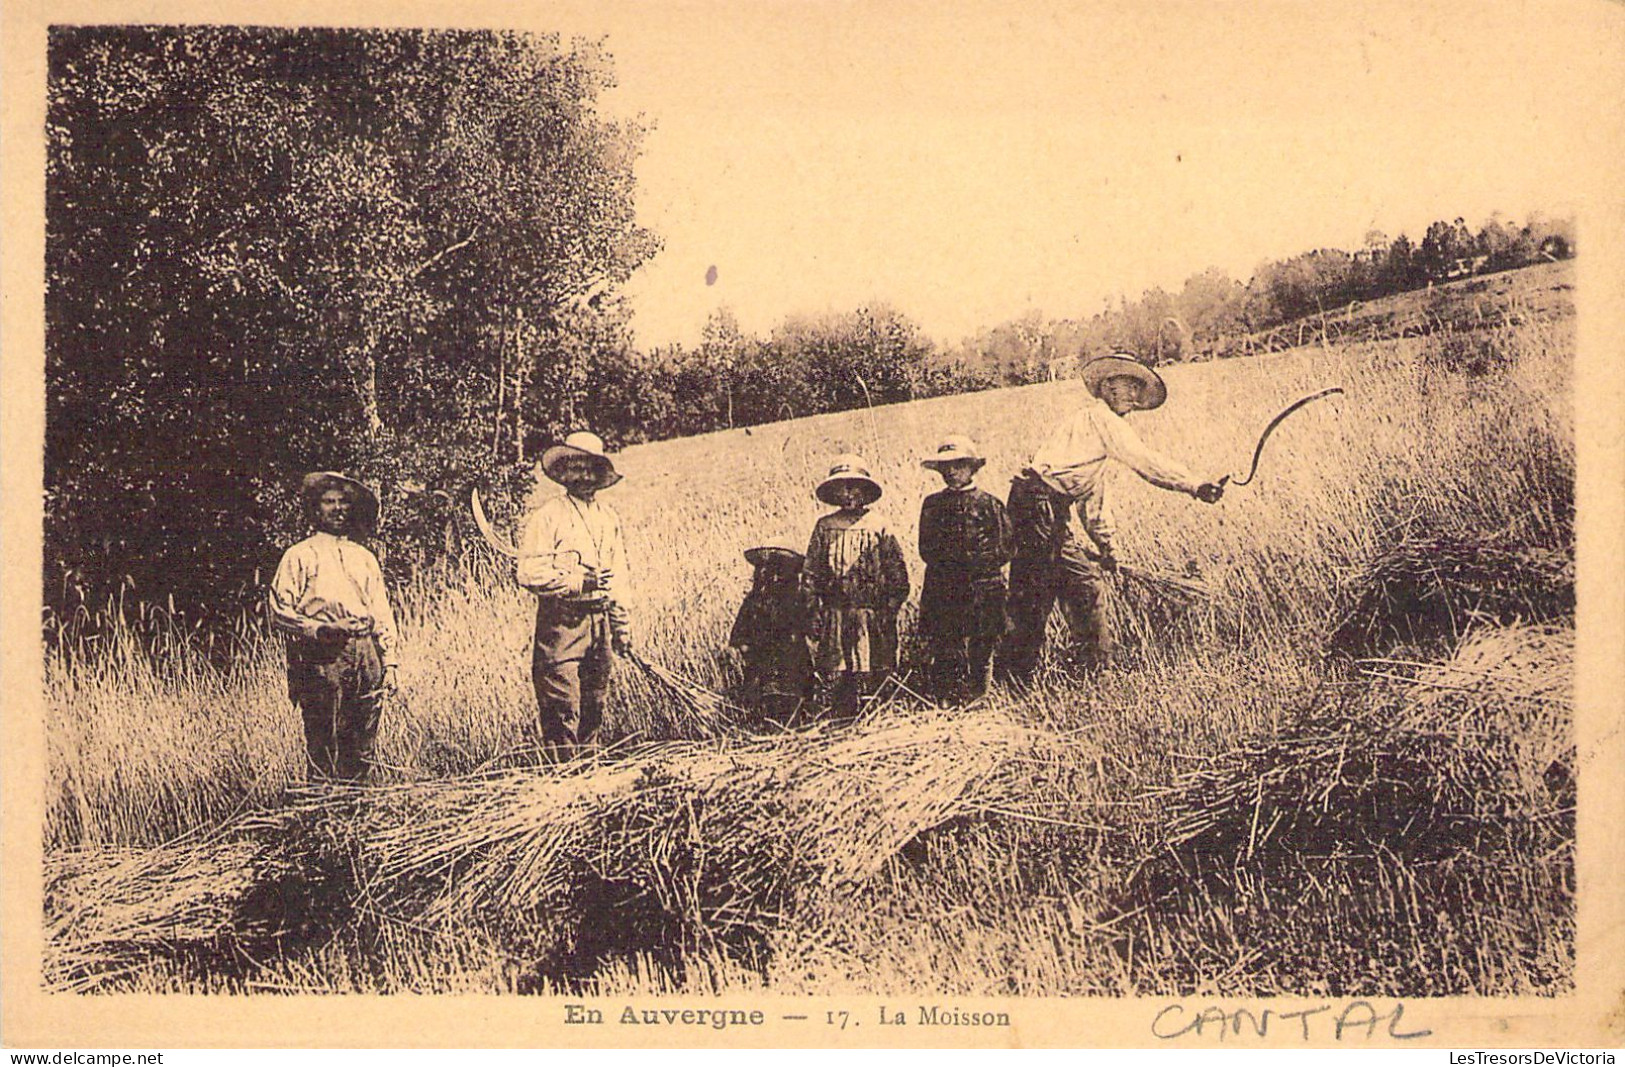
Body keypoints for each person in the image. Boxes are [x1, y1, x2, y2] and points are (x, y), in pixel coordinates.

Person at [999, 354, 1224, 681]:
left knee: (1059, 589)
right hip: (1036, 507)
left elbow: (1092, 502)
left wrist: (1108, 548)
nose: (1134, 397)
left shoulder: (1095, 443)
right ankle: (1063, 676)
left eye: (1138, 389)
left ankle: (1070, 674)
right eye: (1129, 386)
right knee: (1047, 591)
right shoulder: (1100, 420)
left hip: (1044, 509)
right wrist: (1194, 485)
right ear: (1106, 386)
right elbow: (1145, 462)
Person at [268, 471, 400, 782]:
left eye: (343, 502)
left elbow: (381, 611)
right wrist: (317, 629)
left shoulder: (363, 557)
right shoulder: (299, 556)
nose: (338, 508)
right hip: (322, 655)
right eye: (329, 502)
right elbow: (278, 611)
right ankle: (322, 814)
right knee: (322, 740)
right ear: (315, 509)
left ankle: (358, 809)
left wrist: (390, 661)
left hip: (366, 651)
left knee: (362, 742)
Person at [517, 431, 634, 757]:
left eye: (591, 468)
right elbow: (528, 572)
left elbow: (618, 577)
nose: (583, 476)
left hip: (599, 625)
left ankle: (589, 783)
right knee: (561, 707)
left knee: (594, 706)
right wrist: (577, 582)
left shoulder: (608, 518)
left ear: (600, 473)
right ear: (564, 471)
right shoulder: (547, 517)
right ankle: (564, 787)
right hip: (561, 623)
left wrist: (621, 627)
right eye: (576, 467)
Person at [802, 455, 911, 720]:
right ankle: (837, 721)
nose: (849, 494)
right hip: (835, 614)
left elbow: (897, 574)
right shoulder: (825, 527)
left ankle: (873, 719)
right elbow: (811, 572)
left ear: (865, 491)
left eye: (855, 487)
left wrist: (889, 608)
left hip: (870, 614)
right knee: (835, 670)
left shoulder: (879, 526)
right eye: (842, 488)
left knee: (871, 667)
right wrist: (812, 609)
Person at [918, 435, 1013, 701]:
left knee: (982, 645)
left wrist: (978, 566)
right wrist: (951, 567)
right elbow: (926, 548)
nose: (951, 472)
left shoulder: (989, 504)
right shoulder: (933, 505)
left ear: (972, 467)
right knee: (947, 646)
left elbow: (1005, 547)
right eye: (945, 467)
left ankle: (980, 698)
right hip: (944, 588)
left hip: (983, 588)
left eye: (958, 465)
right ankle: (949, 701)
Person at [728, 536, 815, 726]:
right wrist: (749, 653)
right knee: (765, 712)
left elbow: (812, 631)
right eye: (768, 571)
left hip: (793, 668)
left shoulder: (798, 600)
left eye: (780, 570)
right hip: (762, 669)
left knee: (793, 710)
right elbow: (739, 638)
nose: (774, 577)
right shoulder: (754, 602)